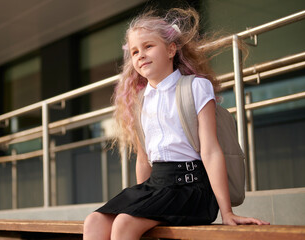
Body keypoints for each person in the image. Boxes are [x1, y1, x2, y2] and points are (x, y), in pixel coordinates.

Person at [83, 7, 270, 240]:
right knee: (94, 222)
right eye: (134, 52)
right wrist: (144, 205)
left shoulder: (195, 87)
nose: (140, 55)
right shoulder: (140, 101)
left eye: (148, 46)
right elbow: (143, 160)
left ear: (171, 49)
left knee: (123, 224)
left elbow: (211, 151)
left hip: (191, 188)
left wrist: (227, 212)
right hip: (157, 186)